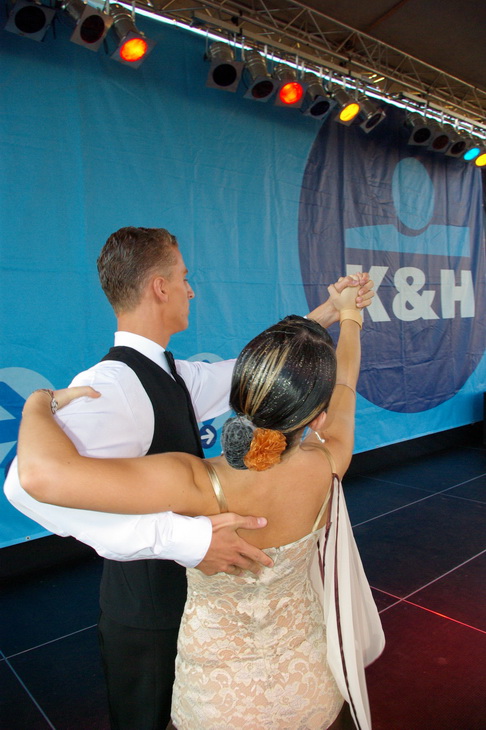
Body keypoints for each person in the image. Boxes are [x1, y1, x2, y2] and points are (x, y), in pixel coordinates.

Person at [4, 225, 374, 730]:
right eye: (184, 277)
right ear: (160, 287)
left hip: (199, 626)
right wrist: (185, 538)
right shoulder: (108, 386)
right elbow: (26, 485)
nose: (191, 289)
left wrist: (329, 312)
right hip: (150, 614)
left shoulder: (174, 380)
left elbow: (262, 372)